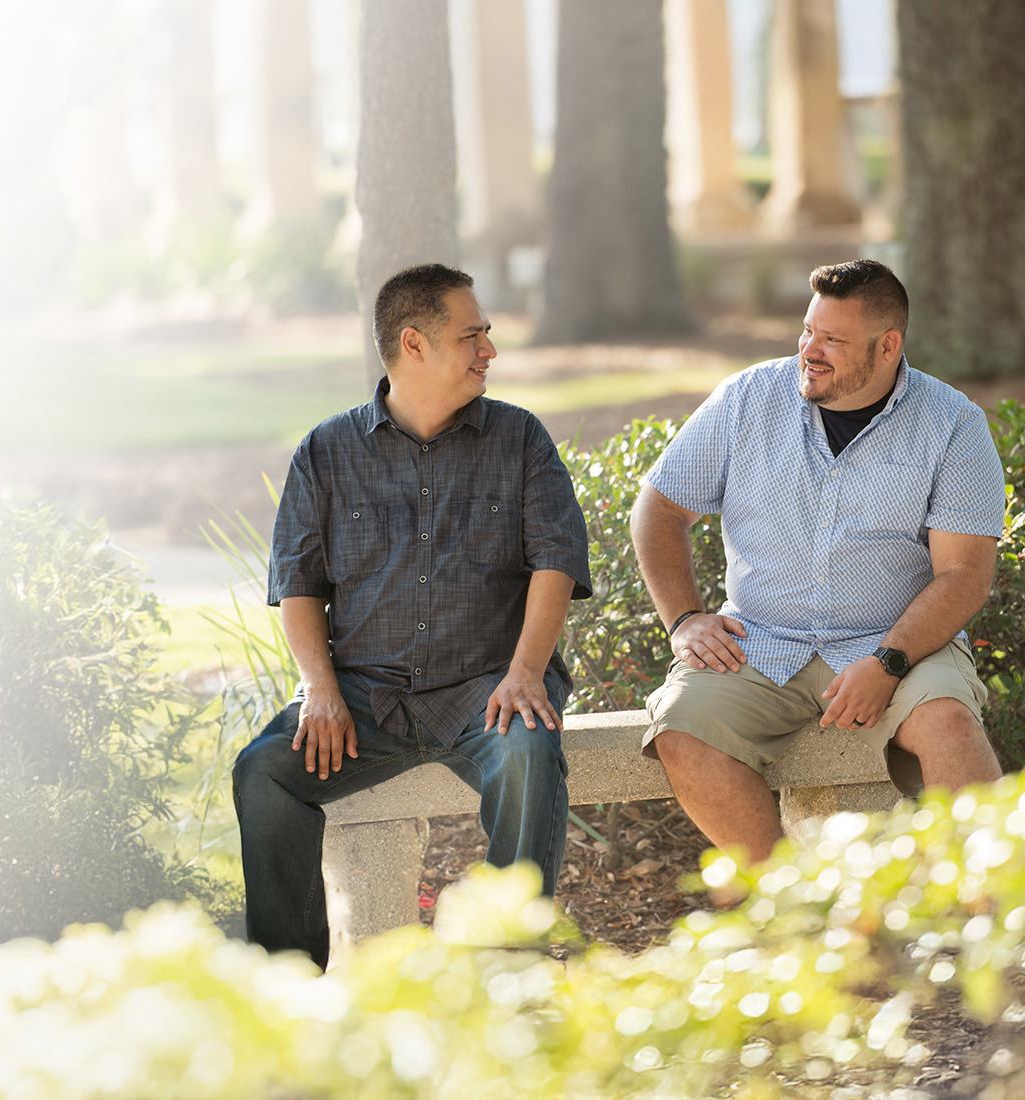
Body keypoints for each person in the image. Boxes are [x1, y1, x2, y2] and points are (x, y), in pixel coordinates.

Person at [233, 263, 592, 969]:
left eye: (486, 335)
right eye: (473, 336)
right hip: (367, 697)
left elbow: (558, 559)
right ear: (415, 344)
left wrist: (525, 675)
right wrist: (321, 689)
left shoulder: (520, 441)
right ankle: (290, 985)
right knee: (263, 772)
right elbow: (297, 582)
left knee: (528, 754)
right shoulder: (326, 453)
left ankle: (509, 966)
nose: (489, 350)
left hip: (489, 689)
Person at [631, 259, 1006, 864]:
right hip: (760, 641)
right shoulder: (747, 399)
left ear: (888, 346)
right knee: (680, 728)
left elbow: (963, 576)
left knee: (949, 726)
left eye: (832, 340)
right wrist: (684, 620)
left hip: (901, 643)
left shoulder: (952, 425)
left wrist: (887, 661)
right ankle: (796, 911)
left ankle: (998, 923)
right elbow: (658, 511)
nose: (811, 350)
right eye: (808, 331)